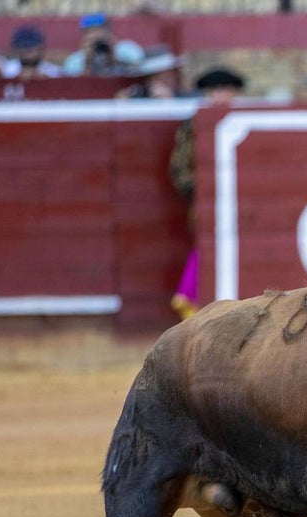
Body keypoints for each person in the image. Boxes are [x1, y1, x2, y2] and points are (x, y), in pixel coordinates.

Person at [169, 68, 246, 320]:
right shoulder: (193, 125)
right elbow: (179, 168)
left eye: (225, 90)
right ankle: (191, 299)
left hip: (243, 206)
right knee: (206, 246)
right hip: (206, 206)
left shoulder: (245, 119)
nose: (220, 96)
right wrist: (203, 193)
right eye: (215, 91)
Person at [61, 13, 143, 77]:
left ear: (109, 32)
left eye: (100, 30)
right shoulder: (74, 60)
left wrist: (114, 58)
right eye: (91, 32)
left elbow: (141, 71)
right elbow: (74, 85)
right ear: (84, 37)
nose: (97, 36)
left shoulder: (128, 49)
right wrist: (87, 63)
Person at [117, 47, 184, 99]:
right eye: (158, 75)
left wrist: (171, 101)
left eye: (171, 72)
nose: (170, 77)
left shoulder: (185, 97)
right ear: (149, 80)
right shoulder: (137, 95)